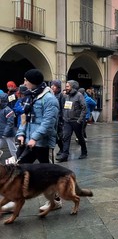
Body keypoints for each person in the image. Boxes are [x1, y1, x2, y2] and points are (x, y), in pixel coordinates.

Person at [12, 69, 60, 213]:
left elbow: (48, 122)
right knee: (18, 170)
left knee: (48, 173)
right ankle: (14, 200)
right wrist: (21, 133)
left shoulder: (49, 99)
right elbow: (24, 118)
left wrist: (34, 138)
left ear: (33, 82)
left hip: (42, 143)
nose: (24, 82)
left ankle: (55, 201)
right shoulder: (29, 96)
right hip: (28, 141)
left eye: (26, 80)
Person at [56, 80, 87, 162]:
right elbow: (65, 107)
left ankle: (84, 152)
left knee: (80, 137)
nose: (65, 88)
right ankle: (65, 155)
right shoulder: (66, 96)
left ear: (73, 87)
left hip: (76, 121)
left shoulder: (79, 95)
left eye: (67, 86)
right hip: (67, 121)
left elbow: (84, 108)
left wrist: (79, 120)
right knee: (66, 137)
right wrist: (64, 117)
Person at [0, 93, 17, 160]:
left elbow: (10, 123)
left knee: (12, 149)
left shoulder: (8, 110)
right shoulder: (2, 110)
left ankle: (17, 160)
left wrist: (5, 133)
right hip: (2, 133)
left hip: (8, 134)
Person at [50, 79, 65, 156]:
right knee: (55, 135)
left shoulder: (61, 96)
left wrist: (61, 118)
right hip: (53, 118)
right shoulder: (51, 95)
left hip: (59, 119)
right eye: (52, 85)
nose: (52, 87)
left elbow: (63, 108)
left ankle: (62, 149)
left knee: (60, 135)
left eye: (54, 85)